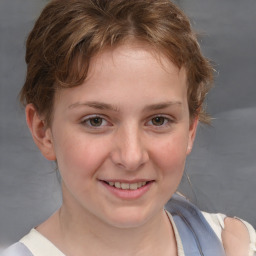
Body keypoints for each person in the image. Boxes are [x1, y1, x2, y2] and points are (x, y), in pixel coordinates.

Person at [2, 0, 256, 255]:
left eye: (158, 120)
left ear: (190, 128)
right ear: (43, 131)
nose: (131, 157)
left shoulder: (237, 245)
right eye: (96, 121)